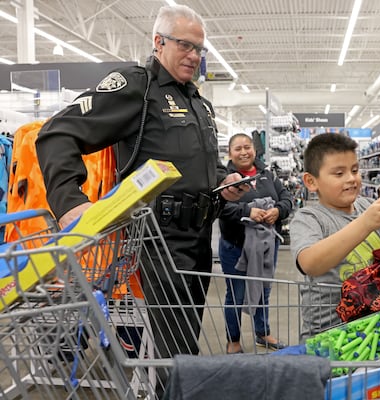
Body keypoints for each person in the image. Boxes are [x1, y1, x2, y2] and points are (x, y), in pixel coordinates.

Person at [35, 3, 248, 391]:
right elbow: (57, 134)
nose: (194, 56)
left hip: (199, 242)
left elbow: (202, 165)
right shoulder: (137, 87)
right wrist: (69, 202)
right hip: (157, 246)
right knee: (174, 359)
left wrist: (223, 180)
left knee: (180, 350)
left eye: (200, 49)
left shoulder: (199, 102)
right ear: (158, 42)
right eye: (185, 45)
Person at [290, 133, 380, 340]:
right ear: (311, 182)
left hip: (378, 329)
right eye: (339, 173)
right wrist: (365, 224)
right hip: (331, 335)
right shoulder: (309, 218)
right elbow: (310, 263)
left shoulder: (368, 206)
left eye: (355, 170)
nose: (351, 178)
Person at [218, 133, 293, 354]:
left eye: (247, 147)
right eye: (238, 148)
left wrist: (278, 211)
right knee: (236, 294)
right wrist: (247, 211)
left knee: (263, 290)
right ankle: (233, 341)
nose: (244, 152)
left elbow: (286, 198)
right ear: (230, 153)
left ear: (254, 149)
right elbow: (219, 207)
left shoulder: (267, 174)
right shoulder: (225, 178)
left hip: (267, 246)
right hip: (236, 246)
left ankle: (263, 332)